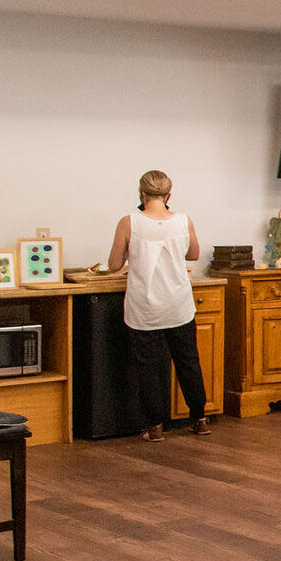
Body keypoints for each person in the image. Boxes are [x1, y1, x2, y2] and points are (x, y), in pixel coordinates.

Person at [107, 170, 208, 442]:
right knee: (188, 361)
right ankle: (199, 419)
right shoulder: (184, 221)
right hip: (179, 304)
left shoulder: (129, 222)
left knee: (148, 367)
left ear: (141, 194)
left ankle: (155, 427)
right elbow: (194, 254)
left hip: (145, 308)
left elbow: (114, 265)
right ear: (168, 195)